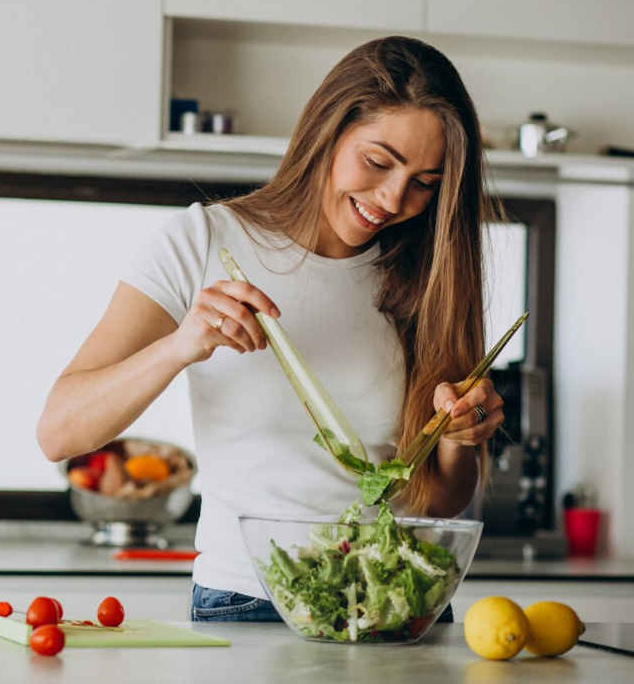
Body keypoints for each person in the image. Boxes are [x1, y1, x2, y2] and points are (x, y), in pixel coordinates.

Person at [36, 36, 505, 623]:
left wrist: (461, 439)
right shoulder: (204, 243)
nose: (392, 198)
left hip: (401, 603)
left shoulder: (428, 276)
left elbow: (436, 498)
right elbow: (60, 432)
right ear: (326, 133)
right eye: (378, 162)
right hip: (250, 600)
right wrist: (180, 345)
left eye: (425, 182)